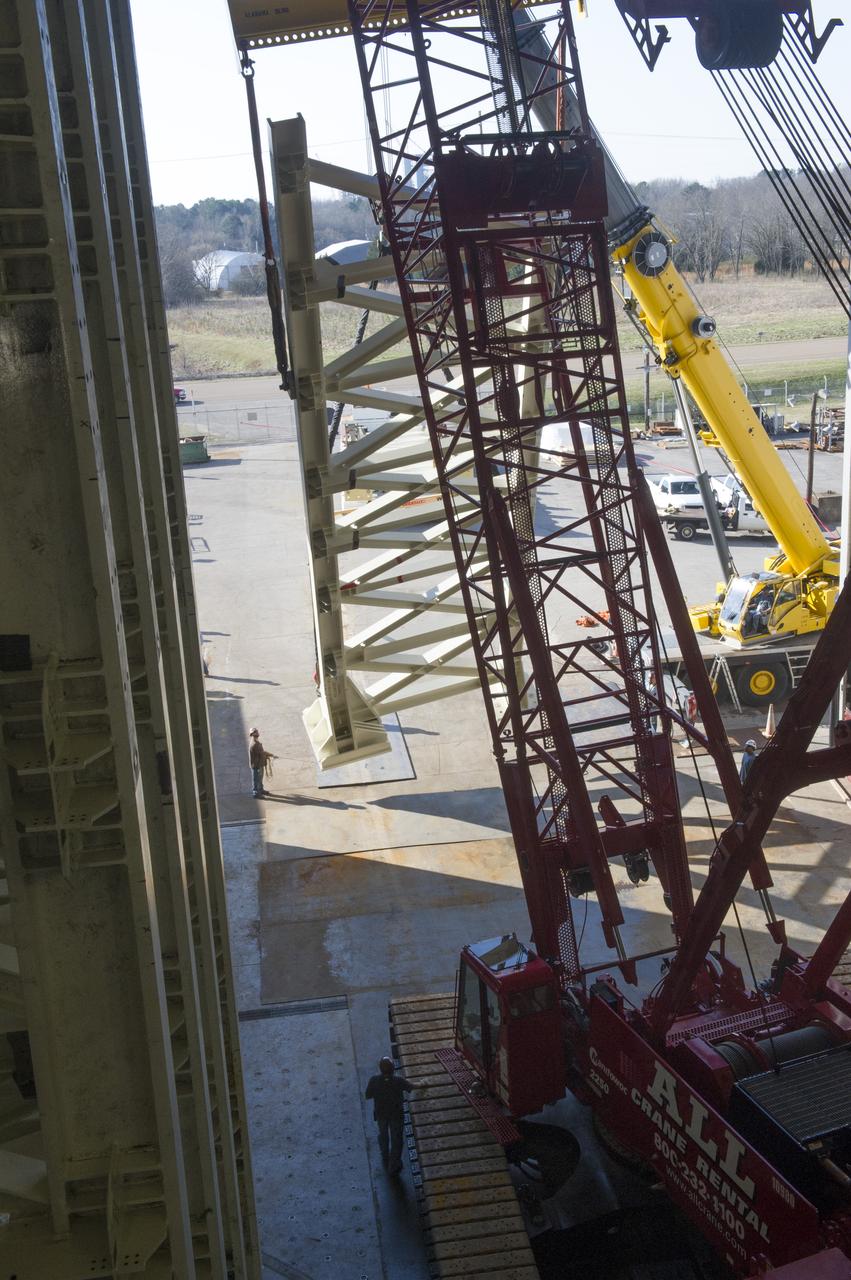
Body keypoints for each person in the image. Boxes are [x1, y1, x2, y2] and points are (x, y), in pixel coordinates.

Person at [365, 1056, 413, 1175]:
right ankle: (394, 1165)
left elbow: (368, 1095)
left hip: (381, 1114)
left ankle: (384, 1153)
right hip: (396, 1115)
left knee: (383, 1134)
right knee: (396, 1140)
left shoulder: (374, 1080)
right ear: (393, 1069)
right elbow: (411, 1087)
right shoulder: (398, 1081)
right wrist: (423, 1084)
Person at [249, 728, 273, 798]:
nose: (257, 733)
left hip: (259, 764)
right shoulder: (254, 744)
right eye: (255, 732)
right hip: (256, 765)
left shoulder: (256, 742)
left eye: (256, 732)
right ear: (252, 734)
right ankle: (255, 793)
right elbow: (262, 753)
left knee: (259, 779)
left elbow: (261, 753)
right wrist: (271, 755)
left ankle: (260, 789)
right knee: (256, 779)